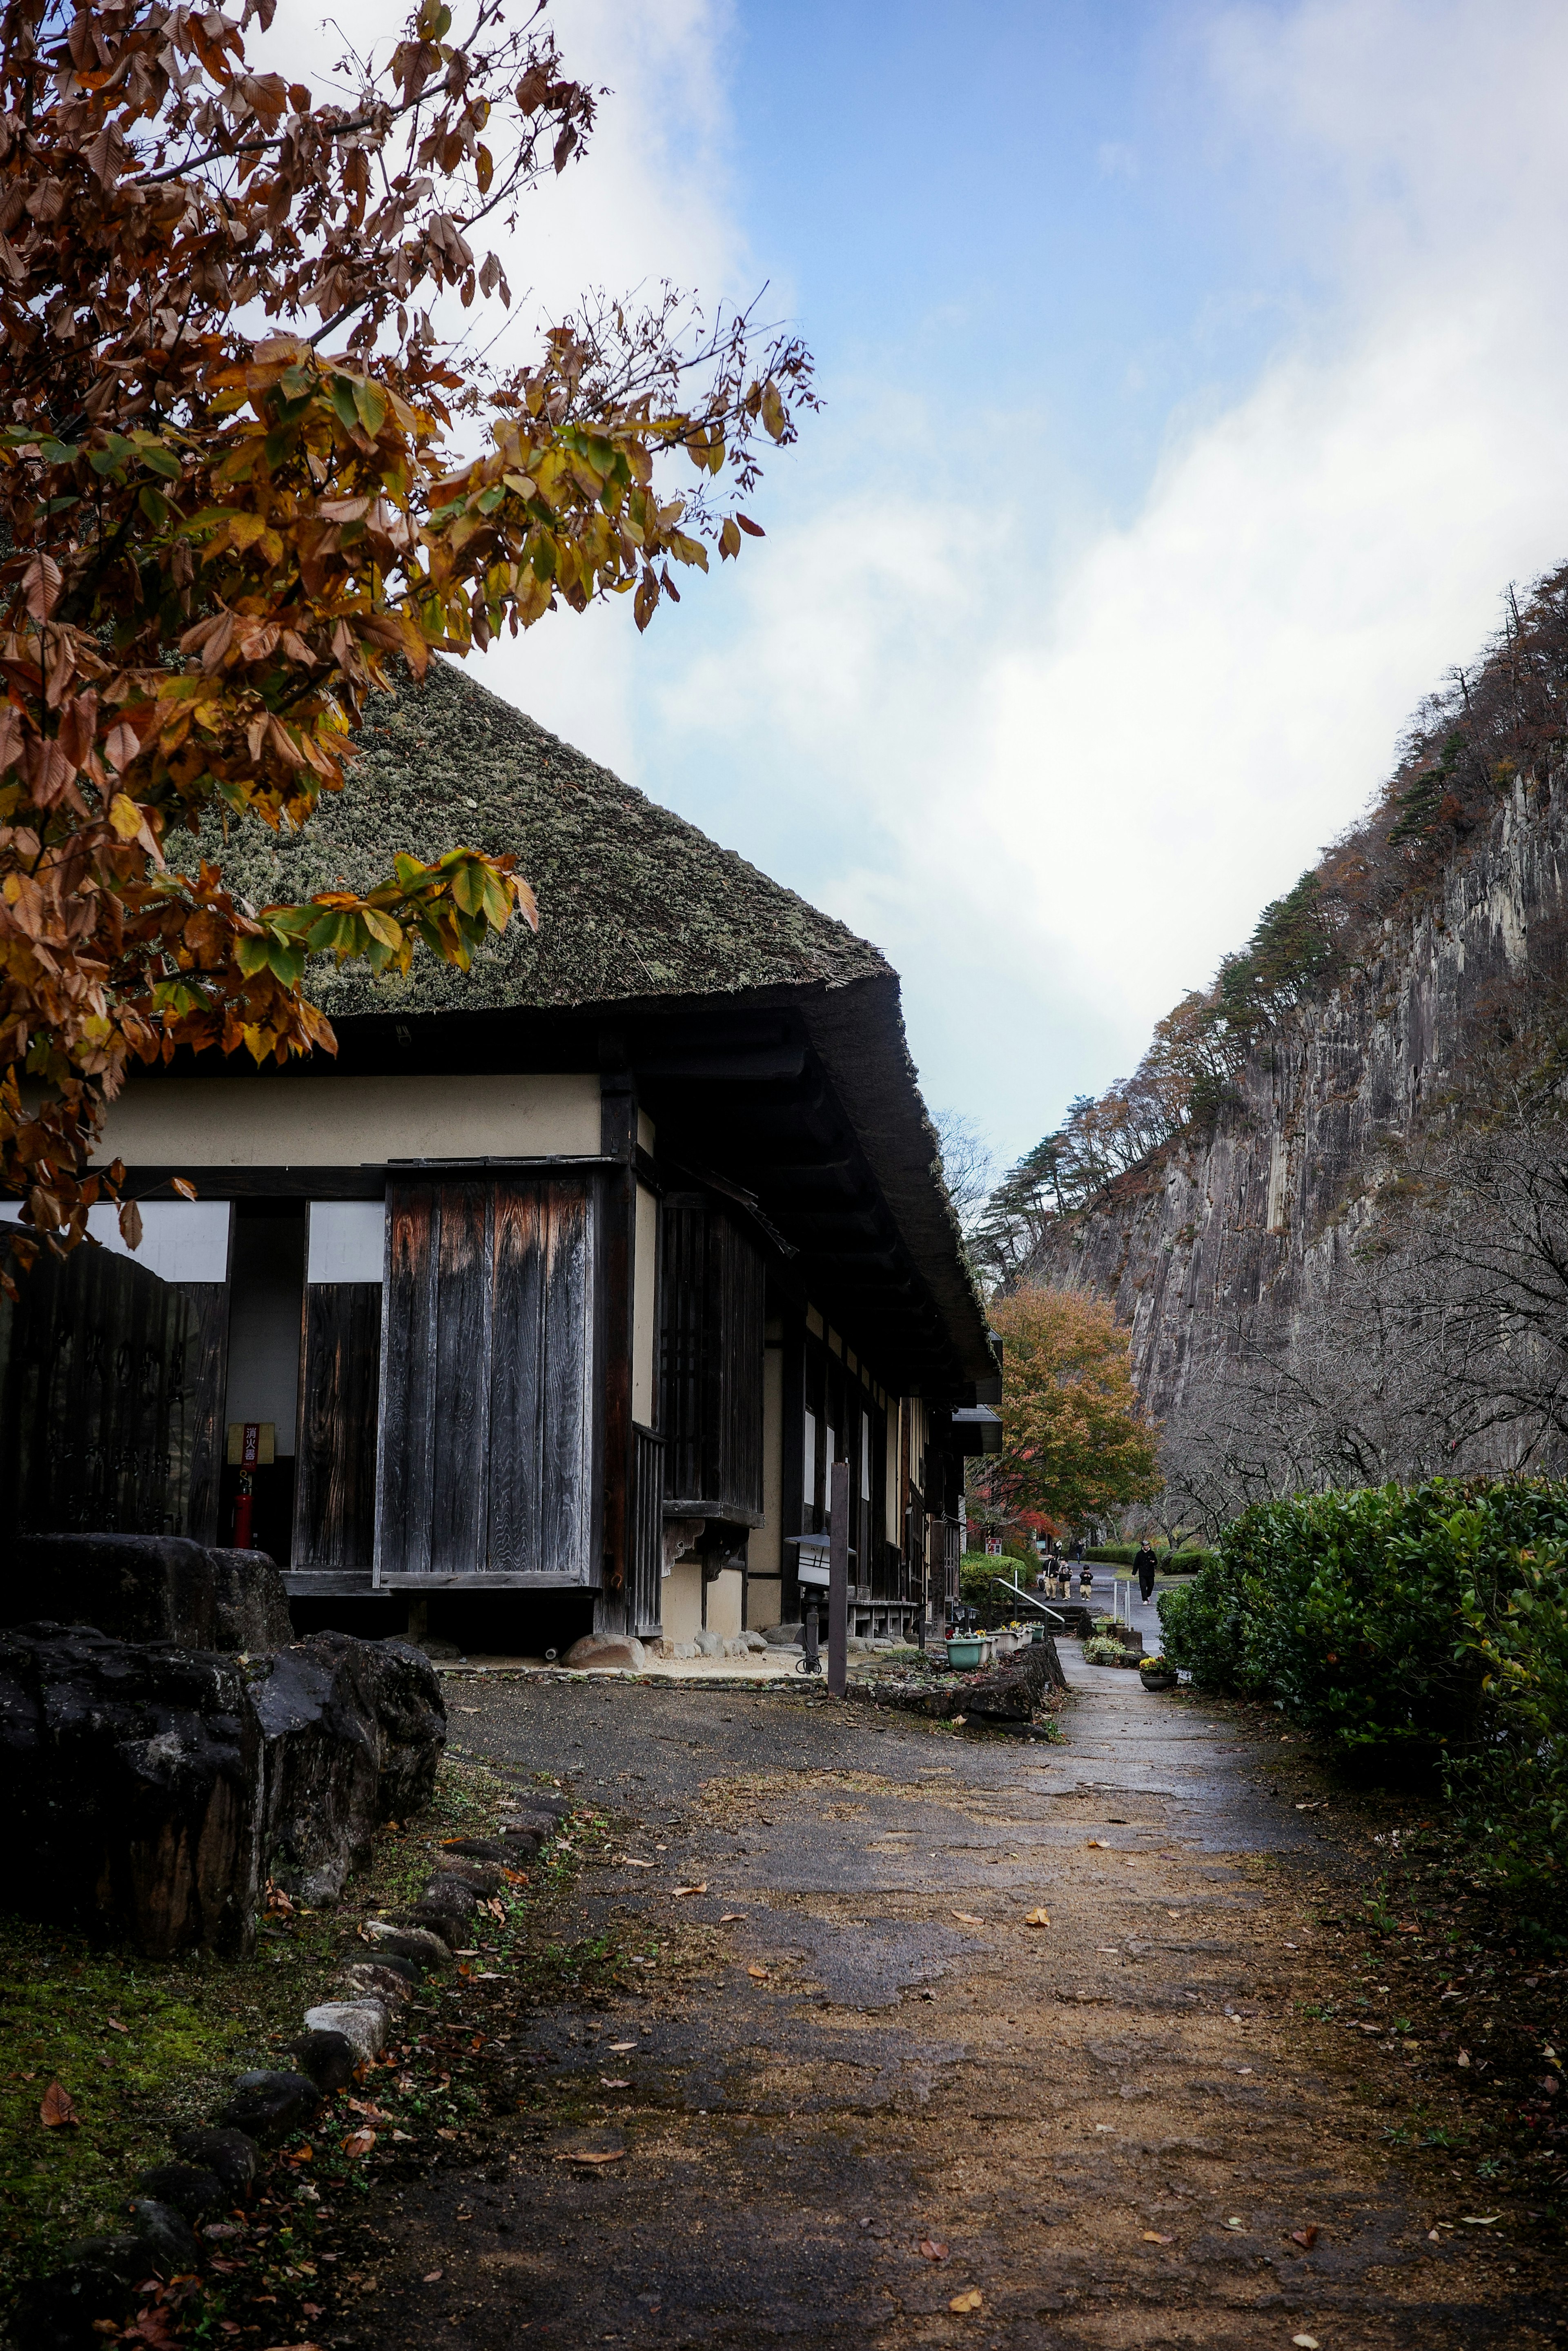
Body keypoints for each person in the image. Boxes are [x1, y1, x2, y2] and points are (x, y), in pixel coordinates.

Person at [1134, 1540, 1158, 1605]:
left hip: (1150, 1573)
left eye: (1148, 1545)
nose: (1147, 1547)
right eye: (1145, 1545)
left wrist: (1154, 1562)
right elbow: (1136, 1564)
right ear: (1143, 1546)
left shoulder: (1152, 1553)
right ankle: (1145, 1600)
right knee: (1143, 1586)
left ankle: (1148, 1596)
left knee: (1151, 1586)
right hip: (1142, 1573)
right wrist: (1134, 1573)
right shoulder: (1139, 1554)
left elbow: (1156, 1562)